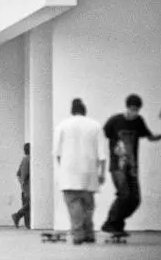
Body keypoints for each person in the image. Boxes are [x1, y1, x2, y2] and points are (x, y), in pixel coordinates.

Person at [101, 94, 161, 235]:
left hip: (132, 167)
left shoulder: (139, 121)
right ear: (127, 107)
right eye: (132, 109)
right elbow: (101, 136)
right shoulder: (114, 121)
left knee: (135, 199)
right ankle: (110, 224)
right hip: (117, 165)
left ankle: (117, 223)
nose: (134, 112)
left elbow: (150, 137)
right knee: (124, 195)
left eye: (137, 109)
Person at [53, 98, 107, 245]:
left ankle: (78, 234)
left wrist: (64, 168)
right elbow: (102, 153)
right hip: (89, 172)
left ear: (72, 110)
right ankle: (89, 233)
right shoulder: (95, 126)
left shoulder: (62, 126)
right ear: (85, 110)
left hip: (69, 173)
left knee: (73, 204)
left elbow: (57, 153)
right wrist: (102, 172)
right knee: (88, 205)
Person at [12, 142, 31, 229]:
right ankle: (17, 215)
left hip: (25, 186)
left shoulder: (24, 159)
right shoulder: (29, 159)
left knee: (27, 204)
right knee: (30, 204)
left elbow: (18, 174)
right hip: (28, 186)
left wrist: (22, 184)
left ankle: (28, 224)